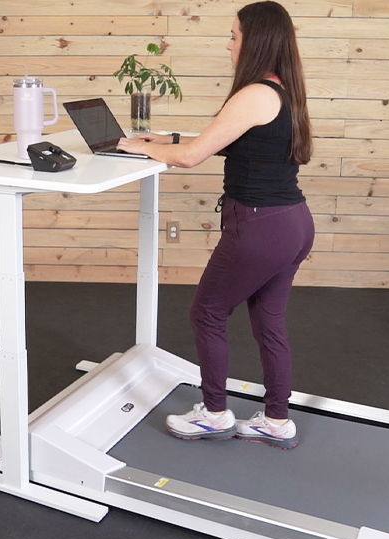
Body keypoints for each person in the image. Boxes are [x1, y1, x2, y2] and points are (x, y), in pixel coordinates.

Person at [117, 0, 314, 449]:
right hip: (294, 224)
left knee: (207, 312)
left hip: (261, 228)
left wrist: (145, 149)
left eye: (233, 35)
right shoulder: (280, 90)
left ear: (255, 41)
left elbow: (191, 157)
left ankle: (214, 413)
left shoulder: (254, 93)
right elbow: (224, 142)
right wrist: (162, 139)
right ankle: (277, 421)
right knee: (269, 321)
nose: (228, 44)